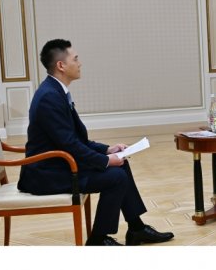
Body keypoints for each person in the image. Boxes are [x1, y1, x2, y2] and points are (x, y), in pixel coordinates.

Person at [18, 39, 175, 246]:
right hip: (47, 173)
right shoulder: (50, 97)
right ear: (61, 65)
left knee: (121, 165)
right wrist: (106, 161)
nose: (80, 63)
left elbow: (76, 140)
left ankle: (136, 228)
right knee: (116, 177)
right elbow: (70, 145)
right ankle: (98, 240)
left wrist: (108, 150)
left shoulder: (55, 91)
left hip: (59, 164)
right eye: (75, 59)